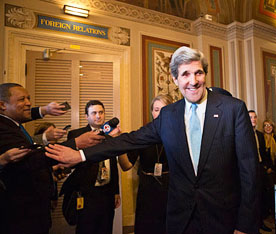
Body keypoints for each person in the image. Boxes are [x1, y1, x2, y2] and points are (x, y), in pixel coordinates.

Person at [46, 46, 260, 234]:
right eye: (185, 74)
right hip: (181, 220)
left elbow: (249, 172)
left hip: (223, 219)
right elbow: (129, 141)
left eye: (198, 73)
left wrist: (245, 225)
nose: (193, 81)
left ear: (205, 74)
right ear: (175, 79)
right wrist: (81, 155)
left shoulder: (233, 109)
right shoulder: (169, 115)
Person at [0, 83, 103, 234]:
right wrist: (75, 143)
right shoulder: (4, 128)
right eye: (22, 99)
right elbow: (29, 160)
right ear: (2, 105)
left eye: (29, 98)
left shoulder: (13, 123)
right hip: (22, 211)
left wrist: (45, 110)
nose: (29, 103)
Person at [60, 100, 120, 234]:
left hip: (107, 194)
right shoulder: (76, 135)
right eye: (94, 113)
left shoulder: (110, 134)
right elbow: (72, 164)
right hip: (86, 194)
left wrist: (116, 191)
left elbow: (113, 165)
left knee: (106, 229)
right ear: (86, 116)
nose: (98, 116)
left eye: (101, 112)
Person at [119, 94, 173, 234]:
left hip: (171, 188)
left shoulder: (178, 135)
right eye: (156, 109)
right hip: (147, 189)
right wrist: (119, 147)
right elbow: (126, 166)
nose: (159, 113)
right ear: (151, 112)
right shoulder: (143, 134)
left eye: (164, 109)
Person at [248, 110, 272, 232]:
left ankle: (261, 221)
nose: (253, 119)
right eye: (251, 117)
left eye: (255, 117)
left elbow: (263, 153)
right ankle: (253, 225)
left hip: (260, 167)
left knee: (263, 195)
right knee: (253, 197)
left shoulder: (260, 135)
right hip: (249, 170)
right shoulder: (244, 134)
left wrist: (266, 166)